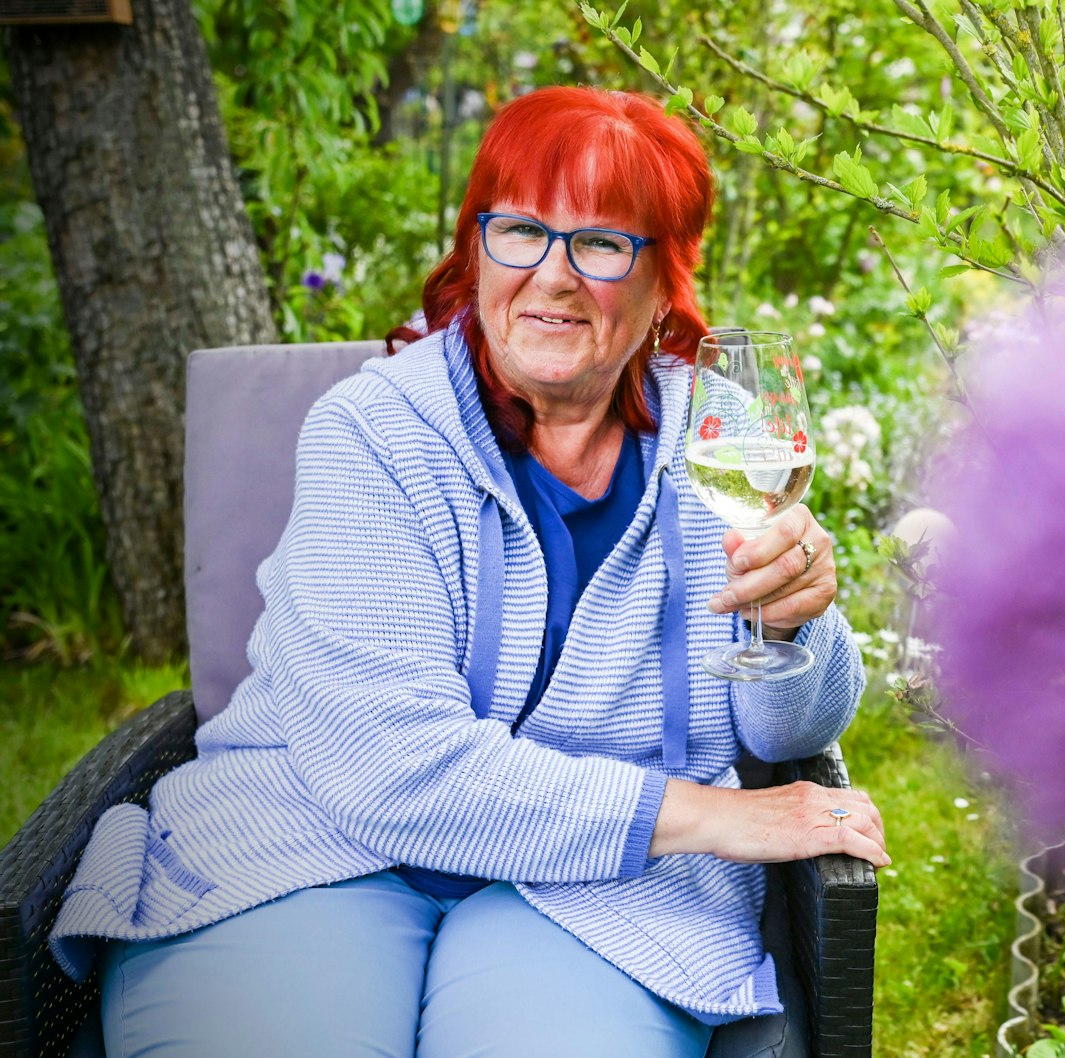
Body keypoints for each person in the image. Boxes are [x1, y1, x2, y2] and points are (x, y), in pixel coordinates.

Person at [48, 86, 883, 1058]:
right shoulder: (374, 434)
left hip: (612, 890)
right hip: (312, 842)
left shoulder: (719, 437)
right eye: (521, 230)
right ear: (476, 251)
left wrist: (793, 622)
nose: (552, 276)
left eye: (601, 242)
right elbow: (390, 767)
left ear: (665, 282)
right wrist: (714, 815)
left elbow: (790, 731)